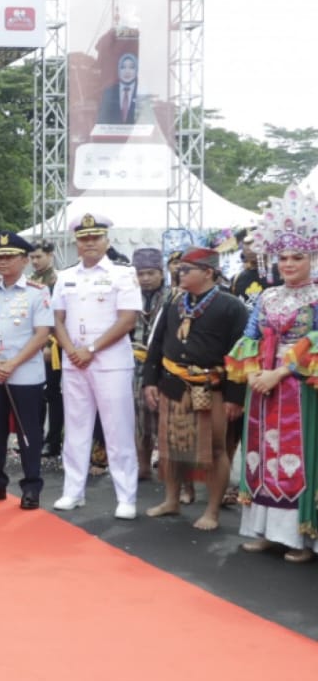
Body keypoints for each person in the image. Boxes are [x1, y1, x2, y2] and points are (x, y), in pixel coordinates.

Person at [227, 186, 318, 561]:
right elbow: (249, 335)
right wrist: (251, 374)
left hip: (300, 388)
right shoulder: (267, 297)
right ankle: (264, 529)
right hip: (262, 388)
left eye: (297, 256)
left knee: (299, 455)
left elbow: (315, 342)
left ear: (312, 257)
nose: (288, 264)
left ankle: (300, 535)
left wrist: (279, 374)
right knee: (261, 454)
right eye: (282, 257)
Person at [141, 247, 248, 529]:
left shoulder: (231, 306)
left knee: (215, 449)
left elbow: (241, 355)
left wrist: (235, 397)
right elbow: (157, 343)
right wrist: (150, 380)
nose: (178, 273)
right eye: (178, 268)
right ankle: (171, 500)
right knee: (170, 445)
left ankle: (212, 511)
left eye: (186, 269)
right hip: (173, 382)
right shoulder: (174, 301)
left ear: (208, 272)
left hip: (211, 385)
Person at [50, 213, 142, 518]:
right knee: (75, 429)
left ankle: (126, 496)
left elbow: (127, 319)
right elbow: (57, 320)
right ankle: (72, 491)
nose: (89, 243)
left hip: (110, 361)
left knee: (118, 430)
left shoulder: (123, 274)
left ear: (106, 240)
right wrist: (72, 350)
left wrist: (90, 349)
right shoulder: (65, 277)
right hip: (75, 361)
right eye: (84, 238)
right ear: (76, 242)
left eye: (95, 237)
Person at [0, 233, 54, 509]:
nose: (2, 261)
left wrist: (13, 364)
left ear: (23, 259)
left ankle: (31, 487)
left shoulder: (37, 292)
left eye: (9, 257)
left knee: (28, 431)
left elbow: (42, 334)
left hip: (25, 373)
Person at [130, 248, 170, 483]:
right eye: (140, 273)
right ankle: (142, 467)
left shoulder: (173, 296)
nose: (145, 278)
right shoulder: (128, 295)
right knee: (138, 418)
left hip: (165, 366)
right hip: (133, 364)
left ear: (161, 273)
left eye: (150, 273)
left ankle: (168, 470)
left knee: (164, 418)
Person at [28, 239, 63, 460]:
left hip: (52, 346)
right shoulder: (29, 280)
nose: (35, 261)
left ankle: (54, 441)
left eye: (39, 257)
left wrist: (50, 344)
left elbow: (57, 316)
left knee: (53, 394)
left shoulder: (58, 280)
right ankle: (36, 438)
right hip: (31, 346)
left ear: (50, 255)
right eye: (32, 257)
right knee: (35, 394)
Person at [97, 52, 138, 125]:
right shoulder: (109, 92)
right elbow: (102, 121)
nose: (127, 71)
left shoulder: (140, 92)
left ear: (136, 70)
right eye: (123, 67)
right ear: (118, 70)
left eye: (131, 67)